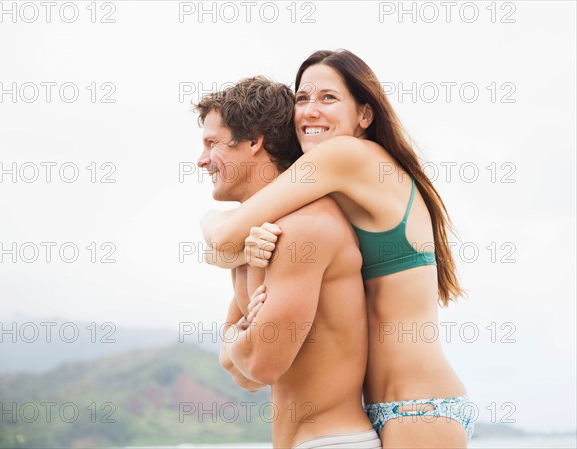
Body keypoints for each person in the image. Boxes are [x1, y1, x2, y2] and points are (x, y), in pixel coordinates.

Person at [201, 50, 475, 448]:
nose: (310, 110)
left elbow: (225, 239)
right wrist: (241, 245)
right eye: (302, 99)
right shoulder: (345, 185)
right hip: (399, 408)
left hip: (416, 407)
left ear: (364, 115)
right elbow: (231, 242)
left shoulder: (345, 156)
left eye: (328, 98)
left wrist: (215, 227)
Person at [195, 76, 381, 449]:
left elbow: (261, 365)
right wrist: (242, 341)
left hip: (333, 441)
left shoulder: (303, 229)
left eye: (212, 143)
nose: (201, 161)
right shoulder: (259, 238)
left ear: (254, 141)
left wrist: (234, 337)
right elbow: (243, 377)